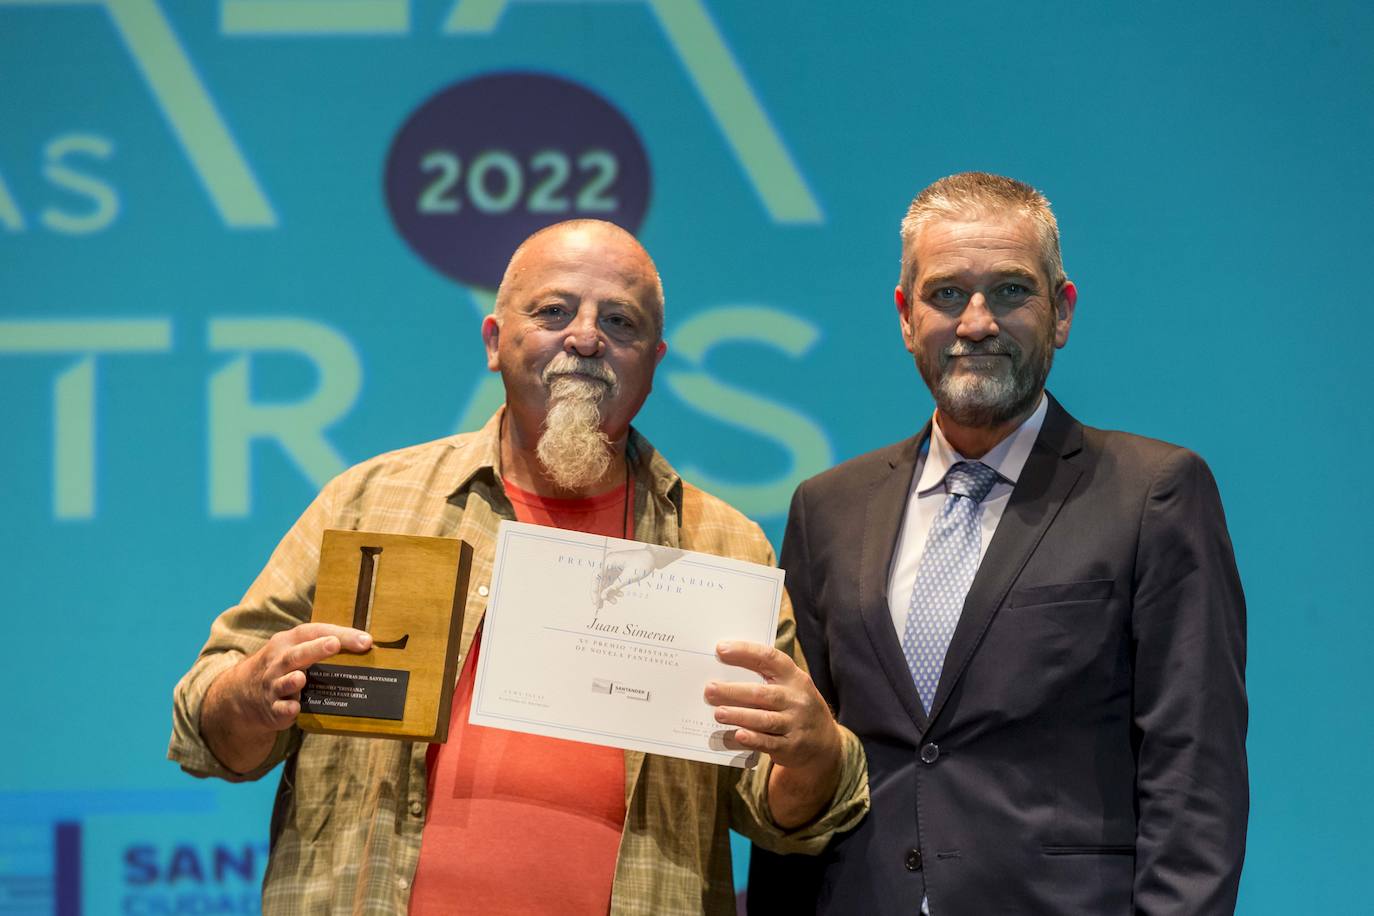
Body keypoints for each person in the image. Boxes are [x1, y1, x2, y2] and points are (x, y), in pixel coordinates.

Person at [168, 219, 868, 915]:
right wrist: (251, 693)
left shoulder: (721, 545)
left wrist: (812, 755)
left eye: (617, 321)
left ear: (653, 364)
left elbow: (780, 809)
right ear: (495, 342)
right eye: (554, 311)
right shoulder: (371, 502)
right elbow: (209, 730)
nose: (586, 338)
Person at [747, 173, 1247, 914]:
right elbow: (805, 755)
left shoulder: (1155, 493)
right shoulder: (828, 509)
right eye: (946, 294)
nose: (977, 321)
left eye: (1011, 291)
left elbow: (1194, 774)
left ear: (1063, 311)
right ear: (905, 317)